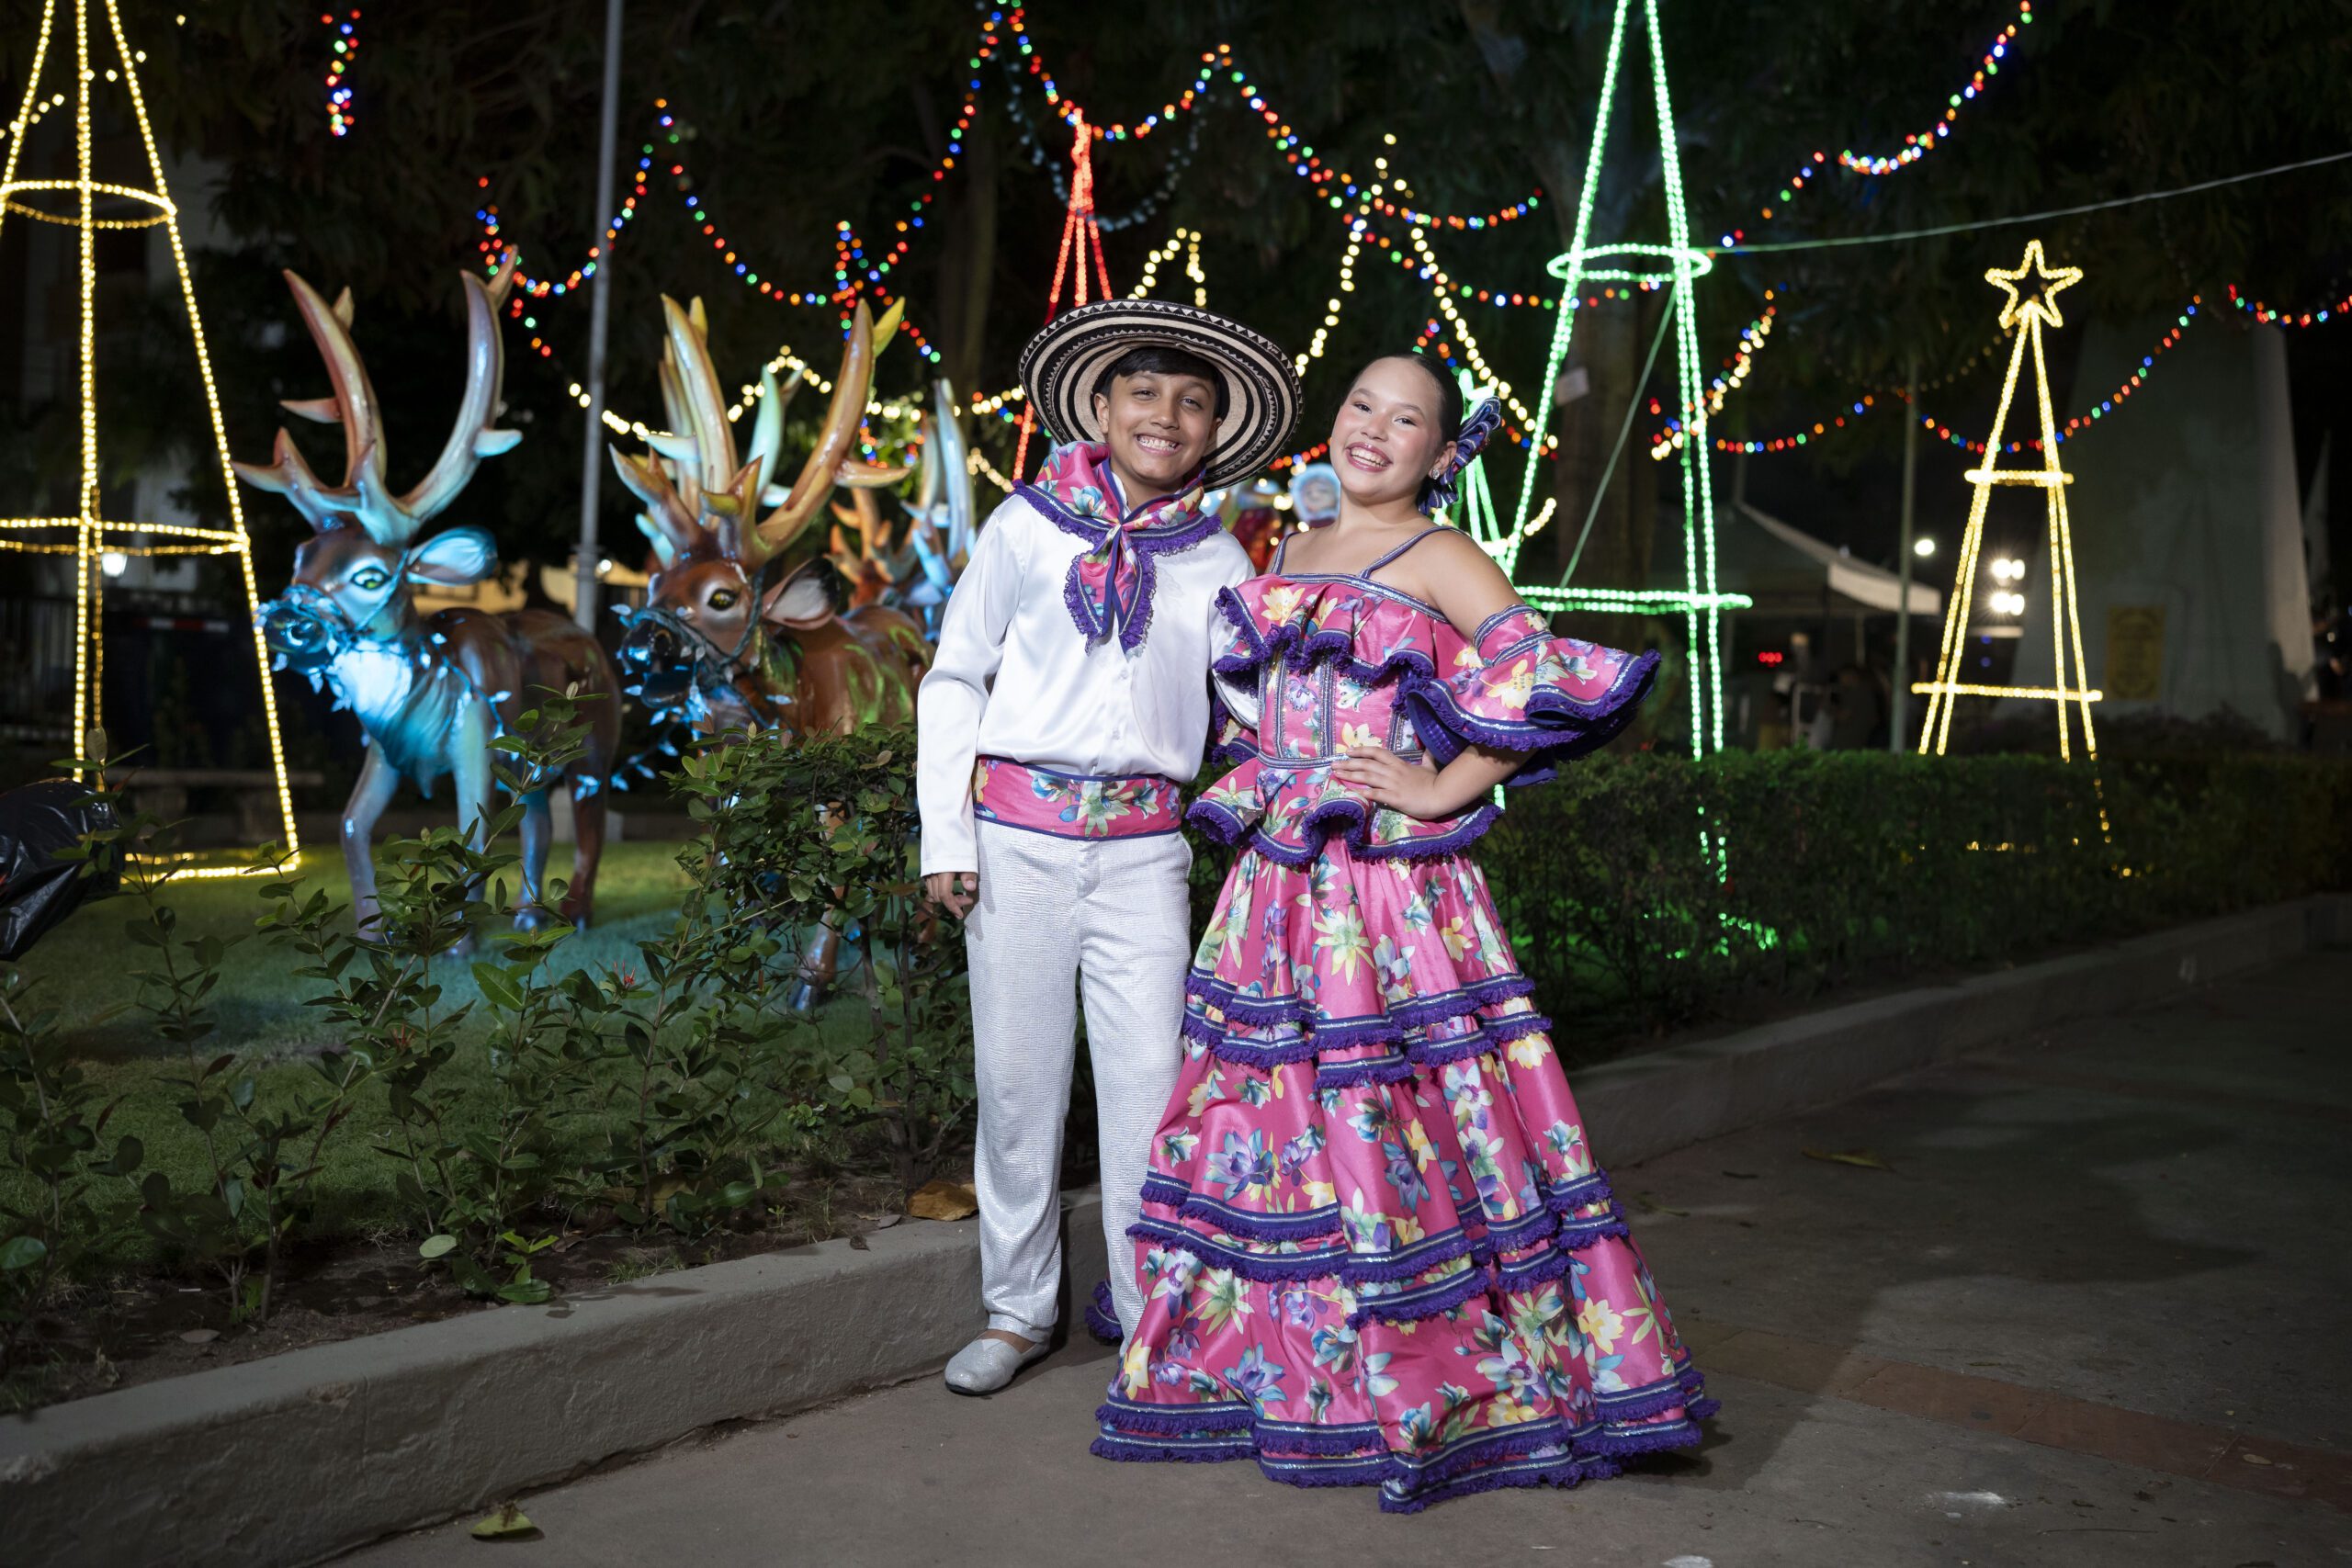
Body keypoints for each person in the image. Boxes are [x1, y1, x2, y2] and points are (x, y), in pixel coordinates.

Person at [1091, 351, 1714, 1510]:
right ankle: (1284, 1374)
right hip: (1276, 889)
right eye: (1360, 407)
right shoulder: (1291, 546)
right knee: (1275, 1122)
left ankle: (1424, 1385)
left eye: (1407, 419)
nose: (1374, 431)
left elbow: (1535, 669)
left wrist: (1439, 788)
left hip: (1384, 893)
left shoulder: (1443, 553)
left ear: (1440, 450)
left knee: (1397, 1120)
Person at [918, 299, 1302, 1394]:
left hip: (1144, 856)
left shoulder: (1219, 557)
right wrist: (946, 835)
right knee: (1017, 1090)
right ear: (1099, 407)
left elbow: (1249, 707)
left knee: (1148, 1094)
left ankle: (1150, 1328)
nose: (1165, 415)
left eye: (1192, 402)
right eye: (1143, 393)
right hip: (1016, 846)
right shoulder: (1024, 526)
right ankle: (1015, 1313)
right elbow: (955, 674)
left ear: (1215, 430)